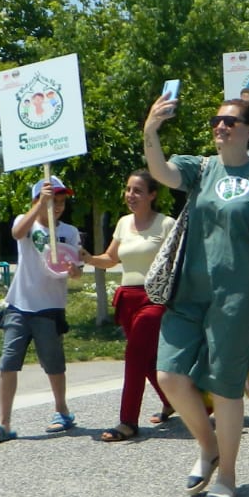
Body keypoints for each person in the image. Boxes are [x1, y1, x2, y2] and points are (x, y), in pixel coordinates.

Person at [143, 94, 249, 497]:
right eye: (216, 120)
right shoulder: (201, 167)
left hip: (238, 295)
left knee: (224, 387)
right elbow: (162, 172)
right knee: (168, 375)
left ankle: (227, 475)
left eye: (229, 121)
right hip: (188, 290)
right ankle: (208, 447)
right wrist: (151, 130)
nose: (220, 127)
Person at [0, 175, 84, 445]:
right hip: (19, 305)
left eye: (61, 202)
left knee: (53, 363)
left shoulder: (69, 232)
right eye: (52, 200)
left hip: (50, 307)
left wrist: (74, 271)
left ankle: (62, 410)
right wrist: (39, 207)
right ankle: (4, 423)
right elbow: (16, 233)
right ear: (37, 200)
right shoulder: (25, 224)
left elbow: (77, 270)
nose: (58, 206)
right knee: (8, 362)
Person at [80, 171, 175, 442]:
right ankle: (174, 402)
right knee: (148, 361)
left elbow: (178, 263)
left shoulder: (167, 224)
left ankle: (128, 422)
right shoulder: (123, 223)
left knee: (134, 358)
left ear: (152, 195)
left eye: (137, 191)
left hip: (154, 300)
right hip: (126, 299)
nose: (130, 195)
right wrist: (87, 258)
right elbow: (110, 259)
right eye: (128, 189)